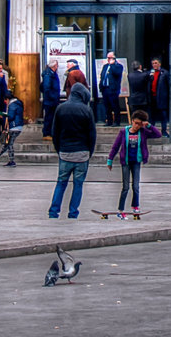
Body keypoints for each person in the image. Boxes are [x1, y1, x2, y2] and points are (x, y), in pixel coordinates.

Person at [46, 86, 97, 220]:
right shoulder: (86, 110)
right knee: (78, 184)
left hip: (65, 152)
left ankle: (54, 211)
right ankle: (73, 212)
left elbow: (55, 132)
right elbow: (92, 134)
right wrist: (89, 152)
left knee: (61, 182)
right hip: (82, 153)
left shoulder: (60, 108)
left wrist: (59, 149)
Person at [105, 110, 151, 219]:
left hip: (136, 162)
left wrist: (148, 125)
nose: (136, 126)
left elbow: (157, 134)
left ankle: (135, 206)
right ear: (132, 121)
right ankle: (120, 209)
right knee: (125, 187)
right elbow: (115, 146)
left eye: (139, 124)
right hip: (125, 162)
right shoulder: (123, 132)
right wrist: (110, 160)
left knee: (136, 186)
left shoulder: (142, 132)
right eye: (135, 123)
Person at [0, 90, 25, 166]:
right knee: (7, 143)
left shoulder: (12, 105)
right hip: (17, 126)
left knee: (9, 144)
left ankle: (11, 161)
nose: (5, 102)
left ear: (7, 99)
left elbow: (11, 116)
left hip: (14, 127)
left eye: (5, 100)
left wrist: (3, 115)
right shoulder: (17, 103)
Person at [146, 57, 170, 138]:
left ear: (159, 64)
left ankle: (164, 131)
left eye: (156, 63)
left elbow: (169, 85)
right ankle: (152, 131)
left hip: (161, 97)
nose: (154, 65)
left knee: (163, 115)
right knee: (151, 116)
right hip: (152, 97)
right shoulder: (150, 73)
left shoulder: (164, 73)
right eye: (153, 63)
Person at [40, 61, 63, 139]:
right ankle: (47, 133)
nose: (58, 66)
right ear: (54, 66)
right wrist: (52, 97)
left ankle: (50, 133)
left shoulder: (52, 73)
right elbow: (46, 87)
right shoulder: (48, 74)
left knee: (52, 117)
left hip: (53, 100)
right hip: (50, 101)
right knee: (49, 117)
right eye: (57, 65)